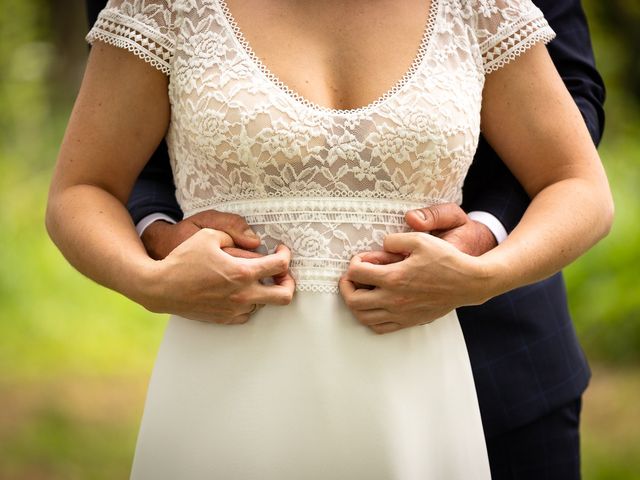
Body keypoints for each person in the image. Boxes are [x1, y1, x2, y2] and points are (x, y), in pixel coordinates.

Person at [47, 0, 612, 478]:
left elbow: (579, 184)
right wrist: (152, 280)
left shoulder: (481, 8)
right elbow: (81, 188)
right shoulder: (163, 8)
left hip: (419, 386)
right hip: (226, 381)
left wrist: (487, 275)